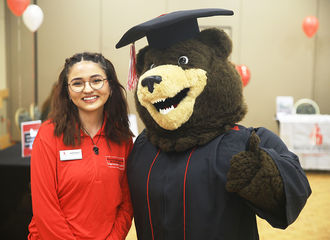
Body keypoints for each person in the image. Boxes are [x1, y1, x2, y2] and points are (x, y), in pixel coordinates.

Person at [28, 52, 134, 240]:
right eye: (77, 83)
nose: (88, 89)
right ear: (67, 91)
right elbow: (45, 211)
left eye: (96, 80)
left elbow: (127, 204)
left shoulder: (122, 138)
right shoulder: (48, 136)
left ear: (109, 86)